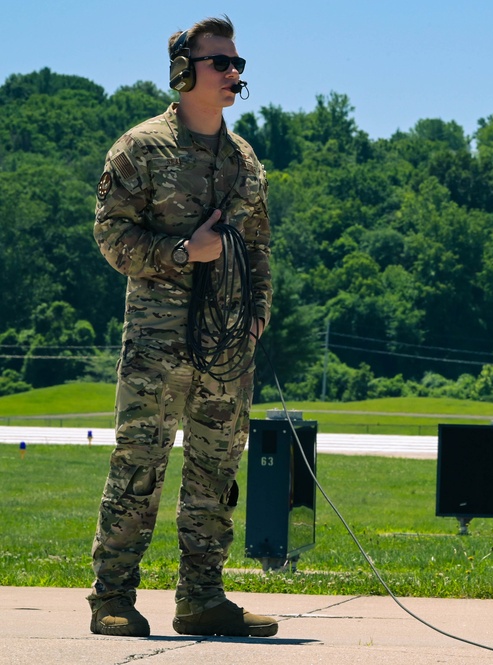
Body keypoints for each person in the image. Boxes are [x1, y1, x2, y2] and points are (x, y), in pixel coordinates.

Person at [88, 15, 275, 638]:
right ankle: (112, 598)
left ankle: (201, 598)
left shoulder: (244, 159)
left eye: (236, 63)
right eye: (220, 62)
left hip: (226, 347)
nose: (233, 73)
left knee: (216, 471)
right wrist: (180, 254)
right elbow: (111, 235)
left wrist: (256, 318)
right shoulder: (141, 149)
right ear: (182, 71)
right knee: (138, 467)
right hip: (157, 340)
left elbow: (258, 245)